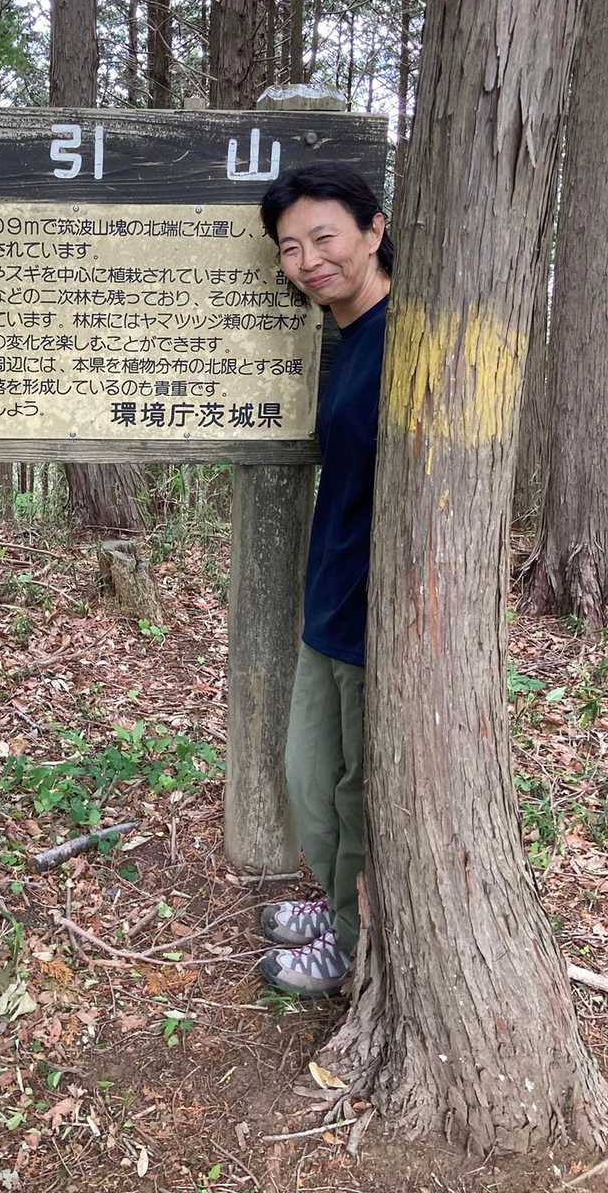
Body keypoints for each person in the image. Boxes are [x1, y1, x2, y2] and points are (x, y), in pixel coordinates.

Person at [254, 161, 393, 998]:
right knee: (313, 777)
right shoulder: (344, 342)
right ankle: (339, 905)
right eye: (290, 247)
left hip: (382, 616)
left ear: (375, 230)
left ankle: (350, 940)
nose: (308, 261)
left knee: (358, 788)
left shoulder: (403, 339)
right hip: (330, 602)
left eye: (324, 237)